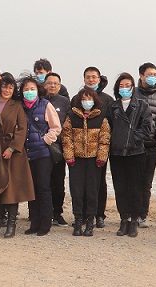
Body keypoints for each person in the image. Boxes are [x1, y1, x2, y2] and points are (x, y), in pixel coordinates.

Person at [0, 73, 34, 238]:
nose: (7, 90)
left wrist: (12, 148)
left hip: (13, 154)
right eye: (5, 87)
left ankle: (11, 225)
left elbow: (22, 128)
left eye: (10, 88)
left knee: (12, 190)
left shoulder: (17, 106)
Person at [107, 72, 152, 238]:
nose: (124, 88)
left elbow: (147, 127)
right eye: (121, 86)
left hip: (135, 153)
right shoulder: (112, 107)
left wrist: (133, 139)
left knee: (135, 188)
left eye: (128, 85)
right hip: (117, 153)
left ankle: (134, 220)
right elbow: (107, 128)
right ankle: (123, 219)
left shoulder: (141, 105)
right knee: (120, 188)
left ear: (133, 87)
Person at [62, 87, 111, 237]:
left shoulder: (101, 118)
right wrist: (69, 156)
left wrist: (101, 158)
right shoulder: (72, 116)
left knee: (92, 192)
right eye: (84, 99)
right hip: (76, 160)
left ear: (95, 100)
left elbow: (105, 140)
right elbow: (66, 137)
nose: (87, 101)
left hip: (94, 161)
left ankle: (90, 222)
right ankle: (78, 221)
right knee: (76, 191)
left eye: (89, 99)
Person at [18, 76, 61, 236]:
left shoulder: (45, 104)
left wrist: (46, 140)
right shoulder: (19, 106)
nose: (29, 92)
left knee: (43, 187)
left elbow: (56, 127)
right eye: (26, 89)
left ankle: (45, 223)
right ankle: (34, 222)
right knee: (31, 188)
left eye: (32, 89)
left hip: (43, 154)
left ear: (38, 90)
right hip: (26, 154)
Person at [133, 62, 156, 228]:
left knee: (146, 183)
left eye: (155, 74)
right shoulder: (132, 93)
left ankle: (143, 215)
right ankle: (131, 214)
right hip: (133, 145)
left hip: (151, 145)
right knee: (132, 181)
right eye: (149, 74)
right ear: (141, 76)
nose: (152, 77)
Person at [82, 66, 113, 227]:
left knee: (100, 182)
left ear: (99, 79)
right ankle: (84, 214)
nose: (91, 79)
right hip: (82, 148)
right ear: (84, 79)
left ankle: (99, 215)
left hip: (101, 147)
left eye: (94, 77)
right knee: (84, 183)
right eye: (88, 77)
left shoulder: (107, 100)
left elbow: (112, 123)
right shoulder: (79, 98)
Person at [43, 72, 71, 226]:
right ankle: (41, 214)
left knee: (58, 183)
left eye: (55, 83)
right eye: (49, 83)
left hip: (58, 149)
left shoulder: (64, 102)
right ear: (44, 85)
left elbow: (68, 125)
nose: (52, 86)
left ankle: (57, 213)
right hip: (40, 147)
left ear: (60, 86)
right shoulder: (39, 100)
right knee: (41, 182)